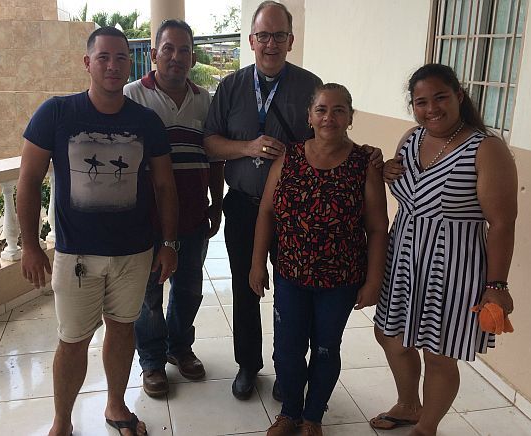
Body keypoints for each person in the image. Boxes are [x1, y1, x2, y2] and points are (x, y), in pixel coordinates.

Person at [17, 27, 178, 436]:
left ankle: (116, 405)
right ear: (87, 63)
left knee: (123, 329)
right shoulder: (56, 113)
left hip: (135, 252)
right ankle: (61, 423)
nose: (112, 65)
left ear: (130, 64)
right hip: (76, 255)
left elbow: (164, 186)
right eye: (103, 57)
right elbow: (28, 181)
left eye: (121, 57)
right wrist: (30, 245)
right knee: (73, 340)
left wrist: (168, 243)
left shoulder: (146, 121)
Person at [372, 63, 517, 436]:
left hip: (455, 266)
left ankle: (427, 427)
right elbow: (408, 189)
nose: (431, 108)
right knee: (390, 336)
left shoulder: (486, 148)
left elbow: (502, 223)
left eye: (440, 97)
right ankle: (408, 405)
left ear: (459, 96)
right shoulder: (412, 138)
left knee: (439, 352)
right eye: (421, 102)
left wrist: (497, 286)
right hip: (403, 257)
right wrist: (387, 171)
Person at [249, 83, 388, 436]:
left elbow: (377, 228)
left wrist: (374, 280)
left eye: (339, 110)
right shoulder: (290, 157)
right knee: (286, 350)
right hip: (290, 273)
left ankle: (313, 417)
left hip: (340, 279)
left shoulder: (364, 164)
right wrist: (257, 263)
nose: (329, 117)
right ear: (309, 116)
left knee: (326, 349)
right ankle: (290, 413)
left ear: (350, 117)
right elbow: (266, 212)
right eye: (322, 109)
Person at [203, 0, 321, 401]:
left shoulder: (310, 87)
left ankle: (288, 368)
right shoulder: (231, 87)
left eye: (279, 35)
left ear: (291, 40)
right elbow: (210, 143)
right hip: (242, 205)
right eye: (264, 36)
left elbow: (327, 139)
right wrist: (247, 146)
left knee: (292, 291)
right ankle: (248, 365)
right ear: (251, 41)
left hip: (293, 211)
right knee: (245, 286)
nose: (271, 44)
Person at [123, 19, 224, 397]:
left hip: (194, 214)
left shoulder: (205, 100)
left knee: (189, 288)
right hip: (145, 219)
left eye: (184, 50)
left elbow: (214, 157)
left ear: (193, 57)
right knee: (148, 295)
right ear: (154, 54)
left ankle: (179, 347)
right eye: (168, 48)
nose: (176, 57)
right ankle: (151, 360)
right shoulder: (133, 95)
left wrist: (216, 203)